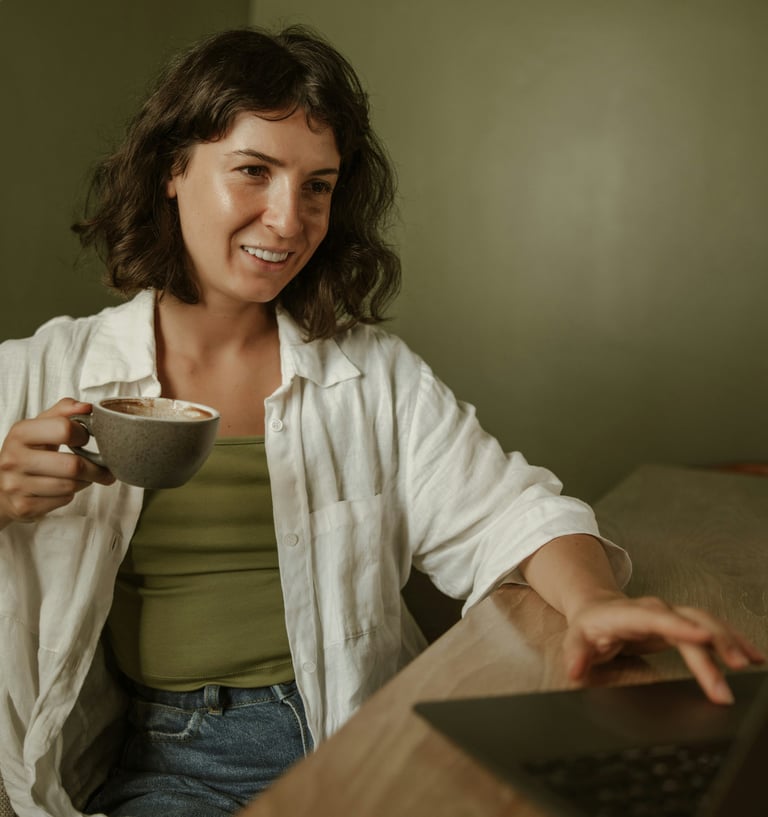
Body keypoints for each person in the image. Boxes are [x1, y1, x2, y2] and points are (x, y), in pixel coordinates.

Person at [0, 25, 762, 817]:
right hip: (176, 761)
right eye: (253, 172)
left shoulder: (370, 375)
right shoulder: (36, 374)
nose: (289, 220)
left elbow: (509, 509)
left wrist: (594, 600)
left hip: (368, 730)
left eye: (317, 185)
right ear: (172, 170)